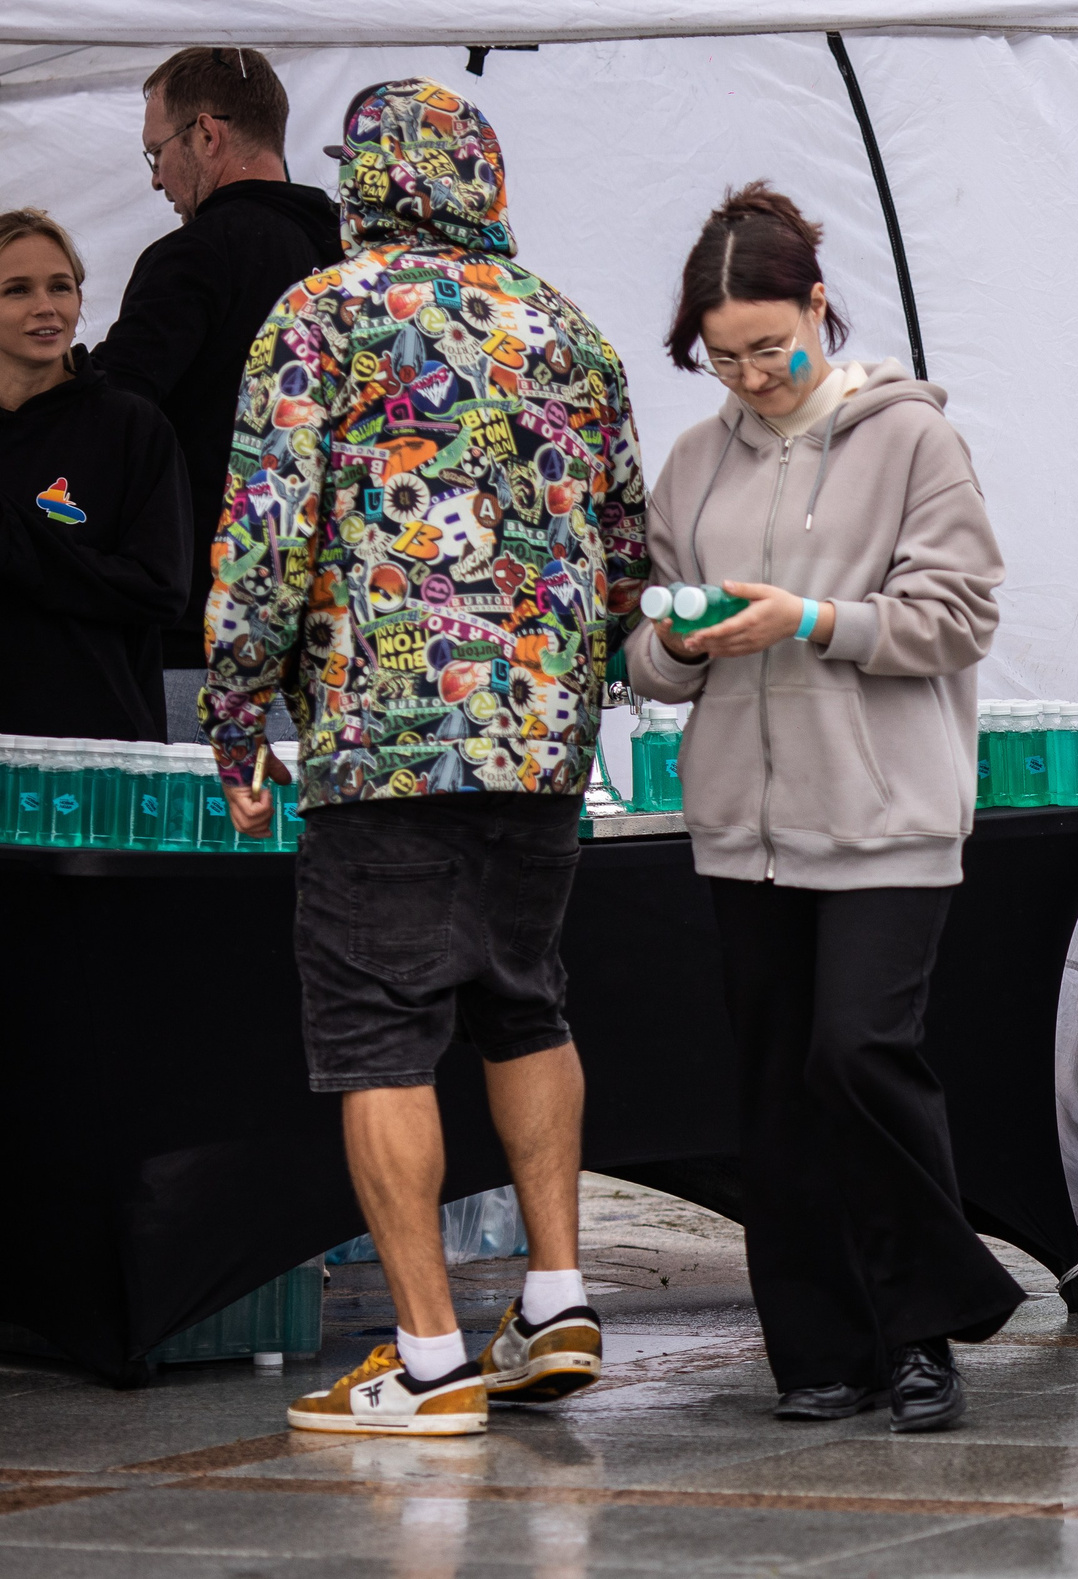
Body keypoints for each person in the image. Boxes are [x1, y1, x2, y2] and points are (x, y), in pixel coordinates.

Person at [205, 79, 651, 1436]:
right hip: (541, 743)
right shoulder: (570, 329)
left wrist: (238, 708)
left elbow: (270, 532)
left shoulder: (323, 315)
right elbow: (629, 553)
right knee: (526, 997)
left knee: (375, 1029)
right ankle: (556, 1294)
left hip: (381, 736)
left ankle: (429, 1354)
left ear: (368, 180)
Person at [626, 183, 1022, 1433]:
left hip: (887, 815)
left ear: (818, 309)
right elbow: (640, 659)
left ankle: (927, 1324)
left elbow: (957, 618)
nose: (749, 375)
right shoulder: (692, 464)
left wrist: (808, 620)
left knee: (858, 1055)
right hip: (741, 828)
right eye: (721, 356)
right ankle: (816, 1349)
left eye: (770, 347)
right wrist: (683, 643)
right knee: (774, 1092)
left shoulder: (913, 441)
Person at [91, 47, 339, 739]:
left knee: (200, 845)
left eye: (157, 153)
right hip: (343, 651)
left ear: (208, 134)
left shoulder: (195, 255)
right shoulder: (353, 263)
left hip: (211, 646)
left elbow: (113, 421)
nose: (157, 180)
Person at [0, 210, 190, 741]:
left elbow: (159, 590)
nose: (46, 307)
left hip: (93, 755)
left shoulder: (130, 427)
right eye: (17, 290)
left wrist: (17, 541)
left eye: (60, 287)